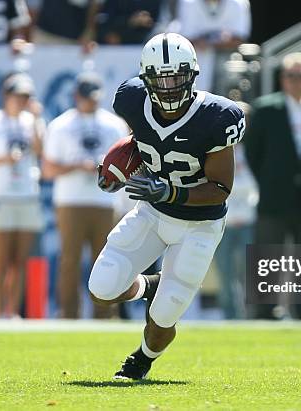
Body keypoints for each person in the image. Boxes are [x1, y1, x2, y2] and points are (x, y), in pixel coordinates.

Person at [88, 32, 244, 380]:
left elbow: (220, 188)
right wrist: (119, 160)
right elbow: (144, 138)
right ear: (146, 80)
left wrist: (171, 192)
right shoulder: (131, 100)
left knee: (163, 318)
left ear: (192, 75)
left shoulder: (216, 116)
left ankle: (141, 360)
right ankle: (149, 285)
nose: (170, 86)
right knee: (102, 288)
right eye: (161, 78)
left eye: (176, 77)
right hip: (153, 213)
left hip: (200, 224)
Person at [244, 52, 301, 320]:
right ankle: (265, 309)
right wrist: (271, 178)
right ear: (282, 79)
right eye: (290, 76)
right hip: (274, 194)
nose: (295, 81)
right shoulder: (265, 108)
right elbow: (253, 152)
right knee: (269, 252)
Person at [43, 72, 128, 319]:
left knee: (107, 260)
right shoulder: (60, 125)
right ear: (76, 96)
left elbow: (128, 165)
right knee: (69, 260)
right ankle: (68, 313)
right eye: (87, 98)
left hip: (106, 200)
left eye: (95, 99)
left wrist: (106, 169)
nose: (91, 103)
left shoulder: (114, 125)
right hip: (71, 201)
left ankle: (105, 313)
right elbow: (48, 169)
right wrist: (77, 166)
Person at [0, 73, 44, 318]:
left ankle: (12, 311)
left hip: (27, 194)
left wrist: (38, 119)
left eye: (26, 96)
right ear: (6, 96)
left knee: (19, 260)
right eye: (18, 96)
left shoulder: (32, 121)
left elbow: (40, 151)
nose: (22, 101)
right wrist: (5, 159)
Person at [213, 100, 257, 319]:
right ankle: (231, 317)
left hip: (249, 218)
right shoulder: (217, 147)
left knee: (250, 274)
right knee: (226, 272)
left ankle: (250, 316)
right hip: (224, 221)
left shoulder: (255, 149)